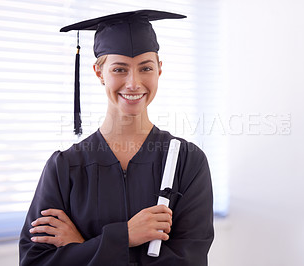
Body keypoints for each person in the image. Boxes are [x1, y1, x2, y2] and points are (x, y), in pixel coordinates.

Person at [19, 10, 214, 266]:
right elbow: (35, 261)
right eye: (120, 69)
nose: (133, 83)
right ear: (99, 73)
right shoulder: (65, 166)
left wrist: (82, 247)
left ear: (159, 70)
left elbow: (189, 262)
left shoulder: (187, 161)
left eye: (145, 68)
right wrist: (126, 236)